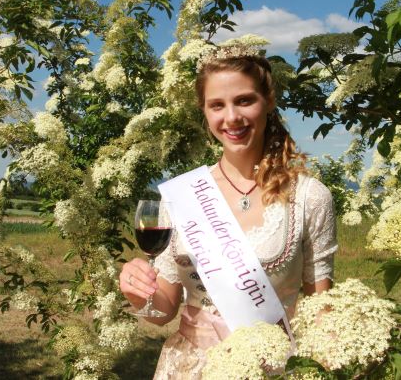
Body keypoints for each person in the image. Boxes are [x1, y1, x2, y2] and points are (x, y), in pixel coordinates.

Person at [119, 48, 337, 379]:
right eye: (217, 105)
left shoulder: (309, 197)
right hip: (190, 369)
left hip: (272, 369)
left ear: (269, 102)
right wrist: (138, 292)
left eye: (245, 100)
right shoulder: (183, 196)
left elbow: (322, 309)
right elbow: (163, 311)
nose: (231, 117)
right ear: (204, 112)